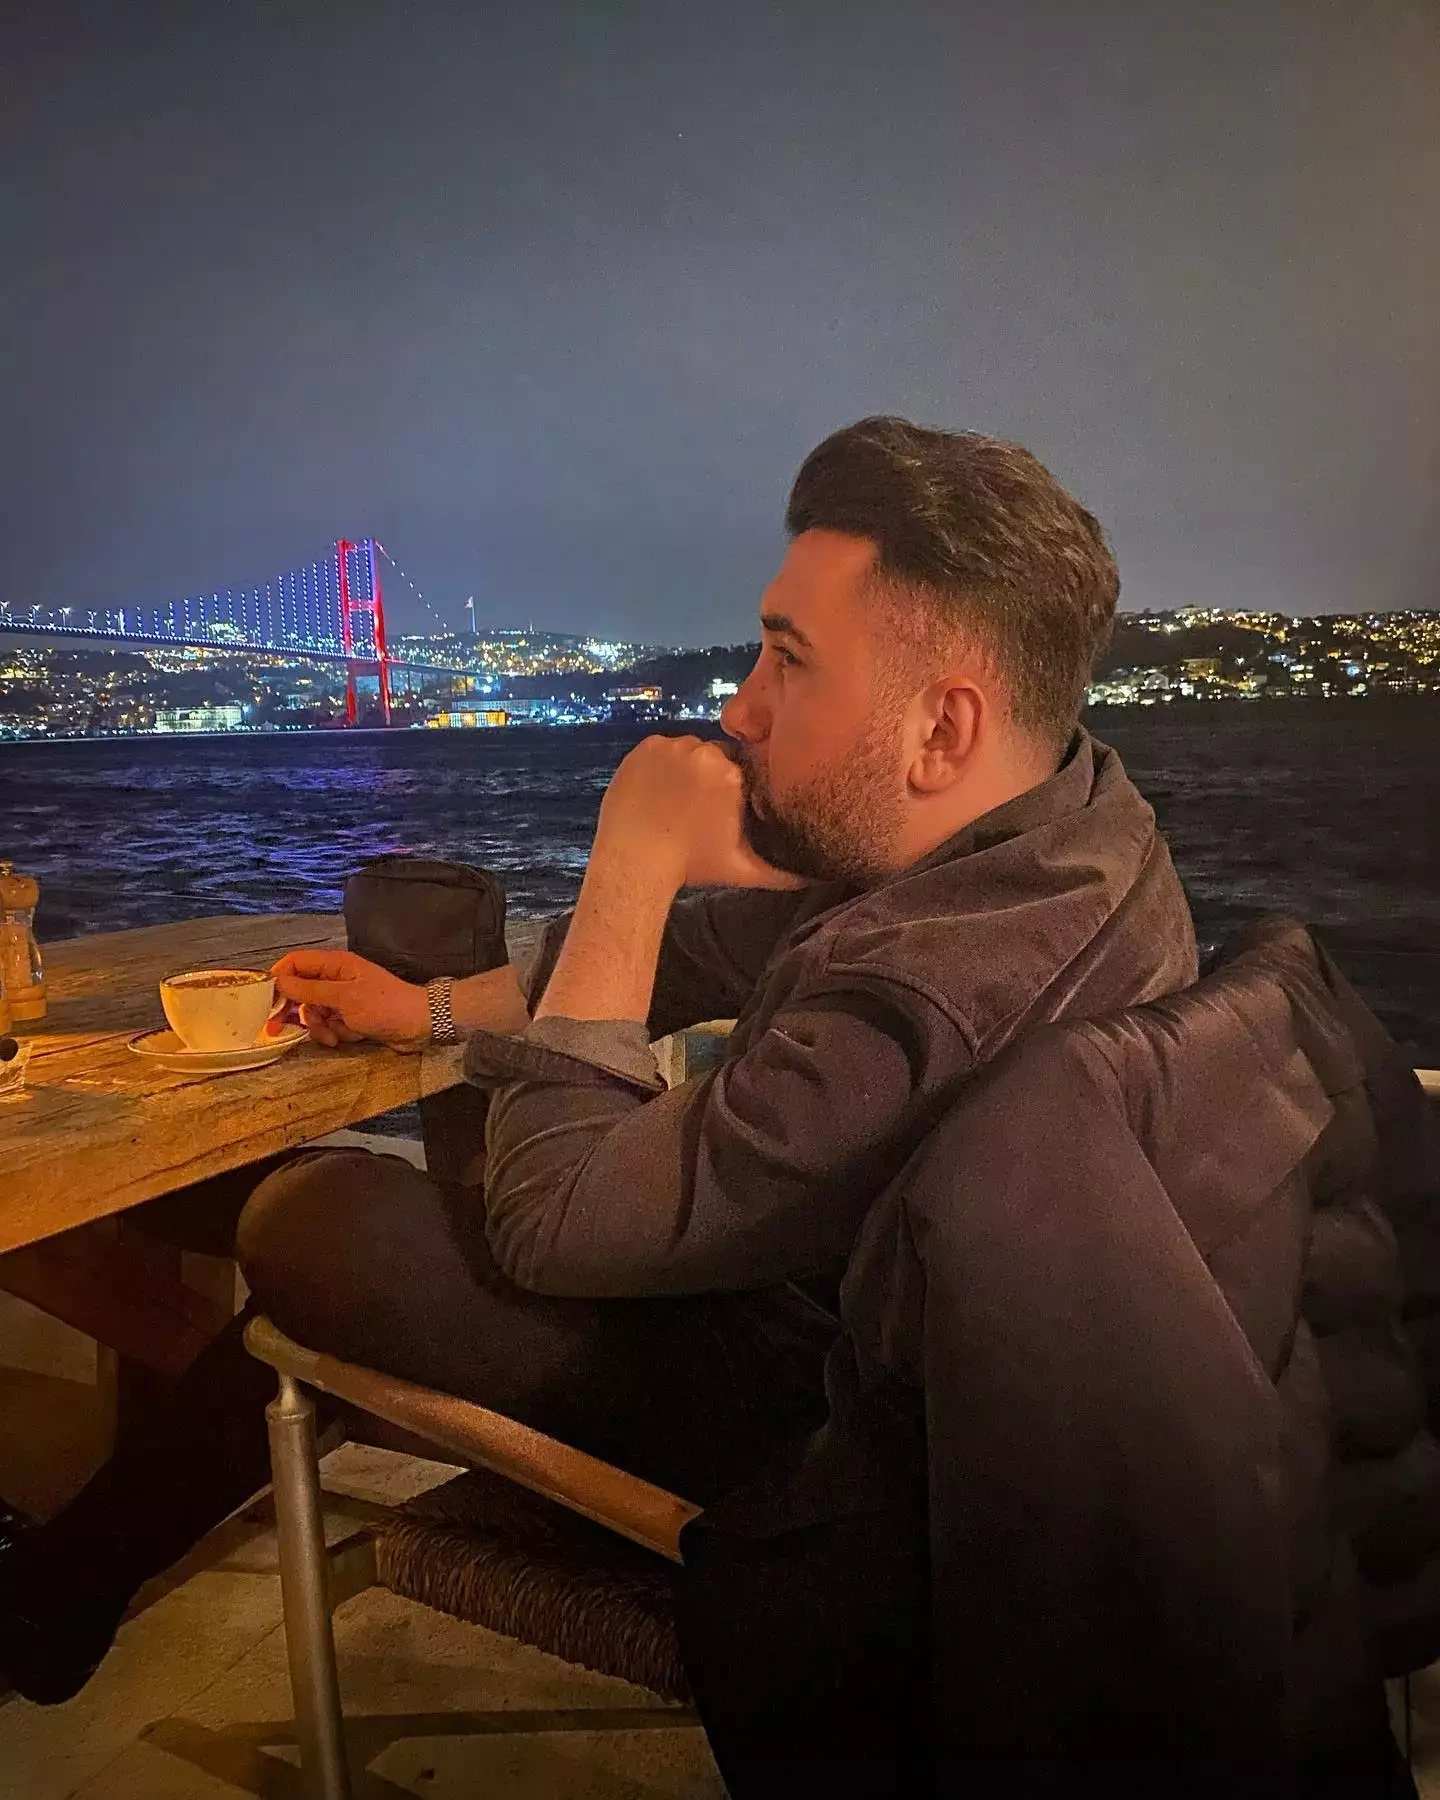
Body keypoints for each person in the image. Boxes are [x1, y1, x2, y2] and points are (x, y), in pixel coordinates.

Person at [0, 416, 1196, 1705]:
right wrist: (433, 1008)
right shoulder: (1057, 828)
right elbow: (685, 962)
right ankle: (62, 1593)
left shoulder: (932, 995)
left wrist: (634, 854)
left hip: (854, 1458)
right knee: (364, 1223)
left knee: (317, 1219)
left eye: (789, 660)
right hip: (903, 1326)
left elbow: (553, 1225)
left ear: (943, 730)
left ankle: (56, 1595)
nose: (741, 706)